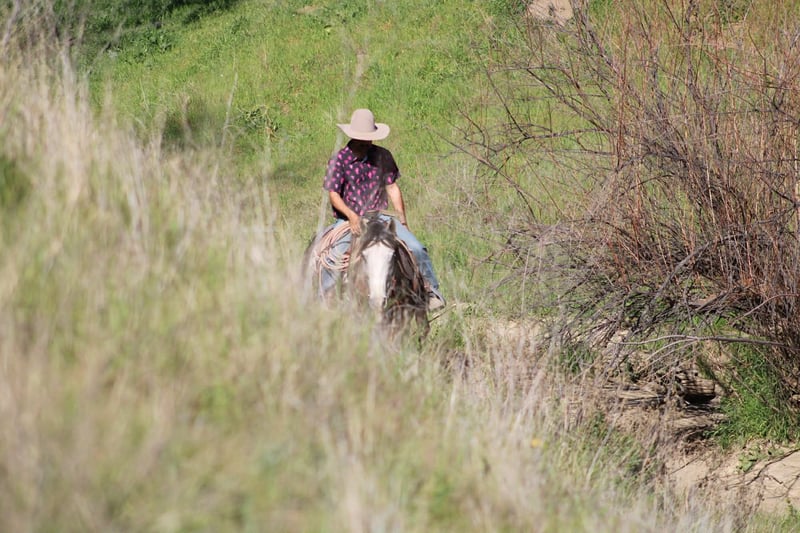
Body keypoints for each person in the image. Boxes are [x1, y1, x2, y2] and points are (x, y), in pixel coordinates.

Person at [315, 108, 445, 311]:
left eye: (368, 137)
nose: (366, 142)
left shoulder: (383, 156)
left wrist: (402, 221)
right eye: (362, 138)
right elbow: (334, 195)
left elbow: (392, 188)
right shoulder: (338, 160)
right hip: (349, 219)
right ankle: (324, 300)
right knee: (333, 255)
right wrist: (351, 216)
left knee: (416, 247)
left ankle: (430, 291)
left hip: (381, 217)